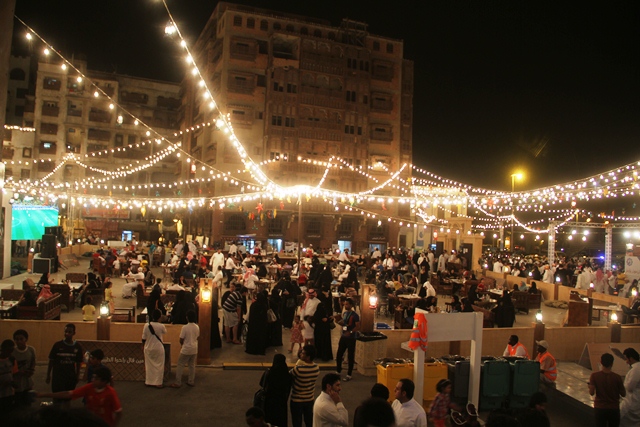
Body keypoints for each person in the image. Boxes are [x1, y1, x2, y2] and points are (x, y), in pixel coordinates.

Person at [37, 366, 122, 427]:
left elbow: (118, 413)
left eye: (96, 378)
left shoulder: (110, 393)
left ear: (104, 381)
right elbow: (68, 394)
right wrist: (45, 395)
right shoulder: (89, 387)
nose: (93, 380)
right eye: (93, 377)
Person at [47, 324, 83, 407]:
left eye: (69, 332)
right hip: (58, 377)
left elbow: (78, 363)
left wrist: (77, 376)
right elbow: (51, 361)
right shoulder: (57, 345)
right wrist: (48, 375)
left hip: (70, 377)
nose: (67, 334)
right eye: (66, 331)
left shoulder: (77, 347)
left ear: (74, 333)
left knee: (67, 399)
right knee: (57, 398)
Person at [589, 352, 626, 427]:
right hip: (613, 408)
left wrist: (590, 387)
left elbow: (592, 393)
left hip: (600, 408)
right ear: (612, 363)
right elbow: (623, 394)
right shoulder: (617, 377)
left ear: (601, 362)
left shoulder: (594, 376)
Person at [290, 345, 319, 427]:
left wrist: (298, 362)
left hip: (297, 400)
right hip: (309, 399)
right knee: (309, 421)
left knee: (297, 422)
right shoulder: (316, 368)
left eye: (303, 353)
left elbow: (290, 375)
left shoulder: (298, 369)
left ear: (308, 357)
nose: (300, 354)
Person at [260, 354, 292, 427]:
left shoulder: (269, 372)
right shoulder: (287, 374)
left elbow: (262, 384)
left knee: (270, 419)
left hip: (269, 401)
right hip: (281, 401)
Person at [171, 310, 199, 388]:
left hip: (186, 349)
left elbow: (181, 339)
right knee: (192, 365)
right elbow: (197, 337)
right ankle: (191, 381)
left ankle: (178, 382)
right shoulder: (197, 327)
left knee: (180, 364)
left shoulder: (185, 327)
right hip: (194, 349)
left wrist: (182, 345)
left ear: (187, 318)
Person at [335, 298, 360, 381]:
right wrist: (338, 322)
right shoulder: (345, 313)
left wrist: (351, 331)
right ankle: (338, 370)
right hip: (344, 336)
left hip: (351, 338)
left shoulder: (355, 315)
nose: (345, 306)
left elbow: (357, 326)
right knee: (339, 354)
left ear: (351, 305)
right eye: (345, 304)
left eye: (347, 304)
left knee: (350, 356)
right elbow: (345, 325)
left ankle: (349, 374)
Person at [142, 309, 167, 388]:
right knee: (159, 365)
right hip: (158, 347)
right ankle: (158, 382)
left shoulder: (146, 325)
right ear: (160, 317)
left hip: (148, 347)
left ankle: (149, 381)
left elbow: (143, 338)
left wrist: (143, 347)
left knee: (149, 365)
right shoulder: (161, 326)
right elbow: (165, 332)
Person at [12, 329, 36, 407]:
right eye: (17, 339)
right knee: (18, 403)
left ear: (26, 339)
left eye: (21, 339)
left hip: (27, 382)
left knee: (28, 403)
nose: (19, 341)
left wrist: (31, 370)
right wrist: (18, 372)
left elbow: (33, 361)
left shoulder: (31, 350)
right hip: (16, 382)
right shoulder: (13, 352)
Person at [620, 347, 640, 427]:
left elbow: (629, 387)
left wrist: (622, 385)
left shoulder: (636, 369)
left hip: (632, 401)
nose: (626, 361)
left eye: (626, 359)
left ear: (631, 358)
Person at [0, 339, 18, 412]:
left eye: (12, 351)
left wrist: (13, 382)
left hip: (9, 392)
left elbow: (13, 373)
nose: (10, 353)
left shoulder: (11, 359)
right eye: (8, 351)